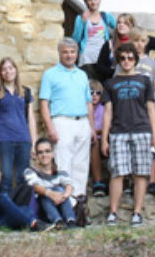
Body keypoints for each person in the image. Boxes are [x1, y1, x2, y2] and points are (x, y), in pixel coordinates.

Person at [101, 43, 155, 227]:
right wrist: (104, 138)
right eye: (123, 58)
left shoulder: (144, 81)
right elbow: (108, 113)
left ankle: (137, 212)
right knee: (117, 173)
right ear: (118, 60)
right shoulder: (110, 83)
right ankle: (113, 212)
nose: (127, 61)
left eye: (130, 58)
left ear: (135, 59)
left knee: (140, 173)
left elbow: (151, 109)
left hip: (142, 129)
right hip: (119, 131)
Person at [39, 37, 96, 202]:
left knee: (81, 163)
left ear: (77, 54)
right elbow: (44, 104)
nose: (69, 55)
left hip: (82, 121)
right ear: (59, 53)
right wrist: (50, 127)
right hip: (62, 121)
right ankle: (66, 201)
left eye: (72, 52)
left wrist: (91, 127)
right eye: (65, 52)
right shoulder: (50, 75)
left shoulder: (82, 75)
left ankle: (79, 200)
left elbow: (88, 102)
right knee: (63, 162)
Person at [124, 27, 155, 195]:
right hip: (130, 110)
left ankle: (152, 180)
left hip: (149, 110)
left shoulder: (152, 64)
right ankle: (130, 179)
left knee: (153, 146)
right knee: (130, 145)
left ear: (146, 43)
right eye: (136, 40)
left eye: (142, 41)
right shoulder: (125, 61)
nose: (139, 44)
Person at [0, 57, 36, 197]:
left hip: (23, 139)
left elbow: (31, 118)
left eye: (10, 68)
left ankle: (21, 212)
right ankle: (5, 213)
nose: (8, 71)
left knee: (23, 178)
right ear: (1, 73)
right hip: (4, 139)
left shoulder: (25, 92)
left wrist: (33, 142)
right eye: (4, 69)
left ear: (16, 70)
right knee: (5, 177)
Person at [24, 137, 78, 228]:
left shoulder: (60, 171)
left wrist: (62, 196)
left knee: (60, 189)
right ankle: (58, 221)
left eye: (47, 151)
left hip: (59, 204)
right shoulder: (30, 171)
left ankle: (70, 220)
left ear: (53, 153)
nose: (44, 155)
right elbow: (35, 186)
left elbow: (70, 186)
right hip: (42, 210)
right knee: (45, 194)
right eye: (40, 152)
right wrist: (50, 194)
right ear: (36, 156)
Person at [71, 0, 117, 80]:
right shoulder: (80, 18)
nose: (93, 2)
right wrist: (83, 21)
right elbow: (75, 39)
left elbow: (119, 28)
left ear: (100, 0)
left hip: (102, 56)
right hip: (87, 57)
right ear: (86, 1)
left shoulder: (106, 16)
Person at [88, 78, 107, 197]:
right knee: (93, 143)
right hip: (89, 139)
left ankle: (100, 181)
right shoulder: (83, 108)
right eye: (91, 92)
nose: (95, 96)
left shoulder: (103, 108)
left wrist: (95, 131)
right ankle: (97, 181)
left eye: (98, 93)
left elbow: (107, 127)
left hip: (102, 138)